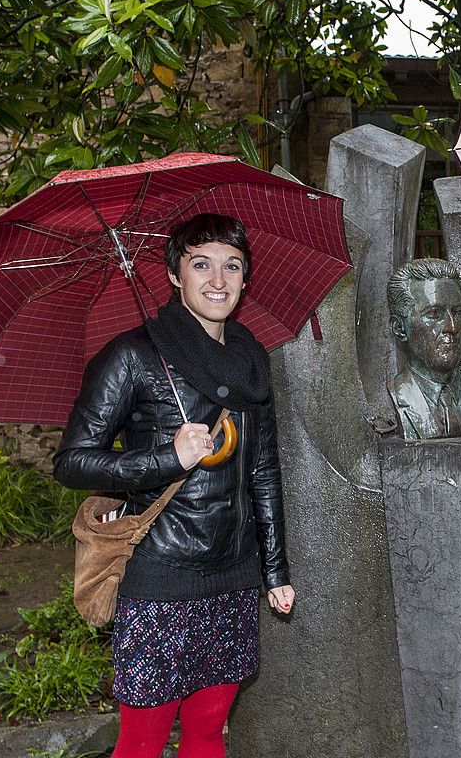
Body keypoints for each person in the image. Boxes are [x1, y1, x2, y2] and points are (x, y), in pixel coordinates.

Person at [54, 213, 294, 758]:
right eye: (201, 264)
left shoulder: (251, 361)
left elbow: (263, 470)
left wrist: (275, 570)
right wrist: (166, 457)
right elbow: (71, 463)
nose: (218, 280)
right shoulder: (133, 355)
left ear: (245, 277)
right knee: (143, 742)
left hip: (232, 577)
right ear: (173, 274)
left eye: (232, 266)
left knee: (208, 732)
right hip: (159, 577)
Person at [386, 258, 461, 439]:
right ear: (399, 328)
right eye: (434, 314)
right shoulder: (397, 396)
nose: (452, 326)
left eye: (458, 313)